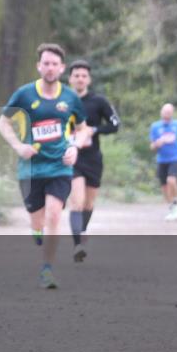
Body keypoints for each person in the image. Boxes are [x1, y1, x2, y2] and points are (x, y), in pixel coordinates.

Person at [0, 43, 89, 289]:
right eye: (46, 63)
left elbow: (82, 129)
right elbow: (3, 123)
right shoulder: (25, 94)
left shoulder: (70, 97)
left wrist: (74, 147)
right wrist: (18, 146)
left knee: (54, 215)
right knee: (37, 223)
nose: (50, 68)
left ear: (62, 68)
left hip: (60, 166)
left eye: (54, 64)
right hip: (30, 169)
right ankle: (37, 232)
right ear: (39, 66)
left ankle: (47, 269)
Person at [66, 60, 120, 261]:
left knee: (89, 203)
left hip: (93, 158)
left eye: (83, 76)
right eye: (76, 75)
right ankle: (77, 245)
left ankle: (83, 231)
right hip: (72, 157)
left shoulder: (99, 101)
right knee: (76, 202)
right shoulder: (62, 100)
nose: (80, 79)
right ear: (70, 78)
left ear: (89, 79)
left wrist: (94, 129)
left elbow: (115, 124)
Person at [149, 103, 177, 221]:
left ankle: (176, 202)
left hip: (175, 157)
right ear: (161, 112)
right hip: (162, 159)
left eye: (169, 112)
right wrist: (157, 143)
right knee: (164, 187)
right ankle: (172, 208)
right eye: (165, 111)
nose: (166, 114)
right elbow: (152, 146)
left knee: (171, 180)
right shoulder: (155, 126)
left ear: (172, 113)